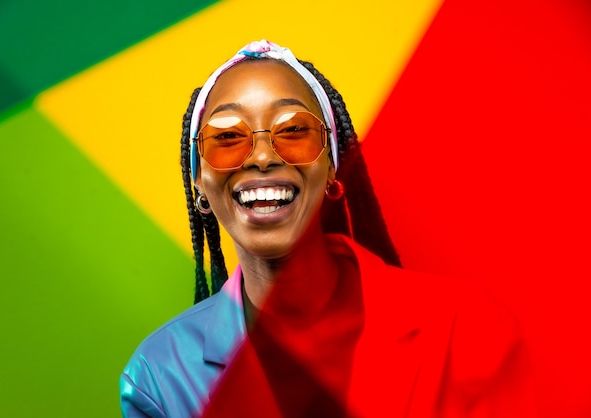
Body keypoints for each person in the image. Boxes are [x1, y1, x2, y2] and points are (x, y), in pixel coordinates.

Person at [120, 40, 535, 417]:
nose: (263, 156)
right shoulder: (158, 377)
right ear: (201, 186)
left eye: (293, 130)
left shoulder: (464, 331)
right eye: (227, 136)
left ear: (333, 166)